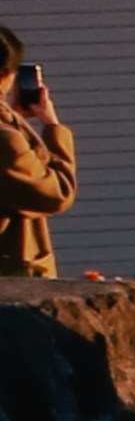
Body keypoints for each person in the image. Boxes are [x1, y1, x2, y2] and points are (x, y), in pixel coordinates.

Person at [0, 34, 78, 279]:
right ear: (5, 76)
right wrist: (51, 125)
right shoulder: (6, 141)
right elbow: (57, 193)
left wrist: (12, 117)